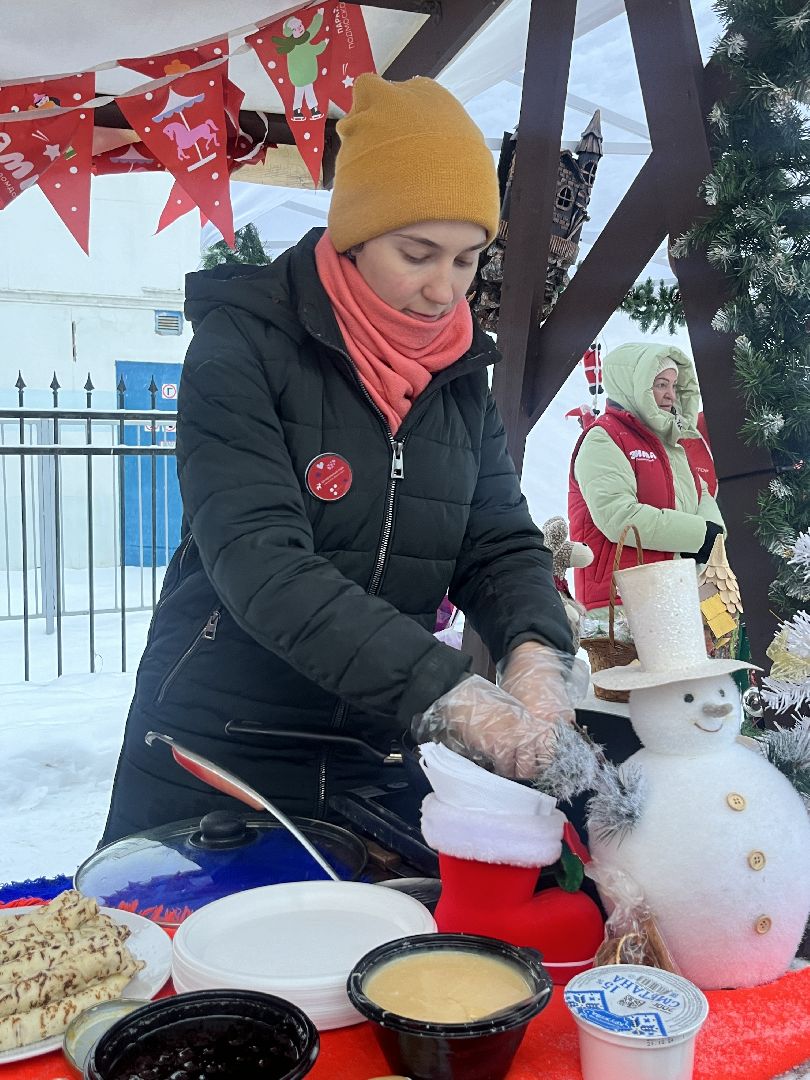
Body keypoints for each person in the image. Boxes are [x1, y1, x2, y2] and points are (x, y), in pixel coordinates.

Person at [100, 74, 581, 845]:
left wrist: (535, 653)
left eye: (467, 260)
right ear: (355, 235)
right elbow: (263, 564)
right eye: (418, 254)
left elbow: (497, 542)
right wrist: (450, 694)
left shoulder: (459, 375)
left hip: (375, 751)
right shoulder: (242, 346)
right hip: (219, 747)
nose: (443, 291)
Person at [569, 342, 725, 619]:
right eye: (661, 384)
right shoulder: (604, 438)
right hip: (620, 603)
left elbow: (700, 494)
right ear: (634, 385)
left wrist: (714, 535)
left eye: (674, 386)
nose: (670, 395)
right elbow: (619, 517)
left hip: (673, 593)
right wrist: (700, 536)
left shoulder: (670, 444)